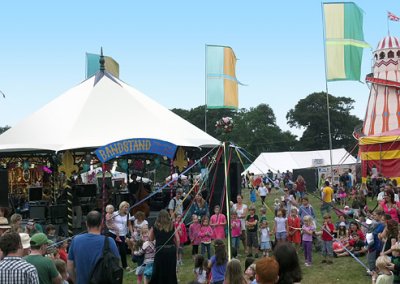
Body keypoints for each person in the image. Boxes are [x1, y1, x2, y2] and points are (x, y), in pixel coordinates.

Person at [67, 211, 120, 284]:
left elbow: (70, 267)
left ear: (86, 223)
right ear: (101, 223)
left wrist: (76, 281)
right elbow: (116, 265)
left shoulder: (76, 240)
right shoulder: (109, 241)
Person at [149, 209, 179, 284]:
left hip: (160, 251)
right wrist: (177, 251)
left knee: (159, 270)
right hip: (171, 250)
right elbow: (177, 239)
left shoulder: (155, 225)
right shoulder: (172, 225)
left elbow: (150, 238)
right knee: (170, 270)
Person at [109, 201, 134, 269]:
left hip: (122, 234)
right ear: (121, 207)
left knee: (123, 250)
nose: (126, 208)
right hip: (113, 233)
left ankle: (125, 265)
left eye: (127, 207)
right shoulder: (114, 213)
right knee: (111, 249)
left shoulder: (128, 215)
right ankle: (112, 265)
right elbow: (108, 220)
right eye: (125, 207)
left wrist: (132, 233)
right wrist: (110, 226)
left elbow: (129, 224)